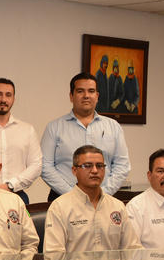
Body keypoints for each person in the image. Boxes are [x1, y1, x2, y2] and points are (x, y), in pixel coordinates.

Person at [40, 72, 130, 201]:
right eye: (80, 91)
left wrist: (103, 193)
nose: (86, 96)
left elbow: (122, 165)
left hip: (104, 198)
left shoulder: (113, 126)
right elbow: (45, 166)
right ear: (71, 96)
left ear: (97, 96)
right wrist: (72, 194)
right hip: (63, 198)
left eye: (91, 91)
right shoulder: (54, 127)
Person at [44, 146, 142, 254]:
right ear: (74, 170)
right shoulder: (59, 207)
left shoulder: (117, 206)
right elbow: (54, 254)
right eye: (87, 166)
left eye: (99, 166)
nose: (95, 171)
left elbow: (133, 249)